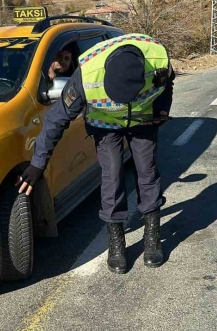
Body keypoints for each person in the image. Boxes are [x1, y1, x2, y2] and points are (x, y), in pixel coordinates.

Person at [18, 34, 174, 274]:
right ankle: (117, 243)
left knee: (147, 171)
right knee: (111, 177)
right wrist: (38, 164)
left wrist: (162, 109)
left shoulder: (157, 58)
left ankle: (152, 236)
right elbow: (55, 121)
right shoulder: (86, 76)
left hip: (143, 119)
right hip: (105, 125)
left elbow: (167, 84)